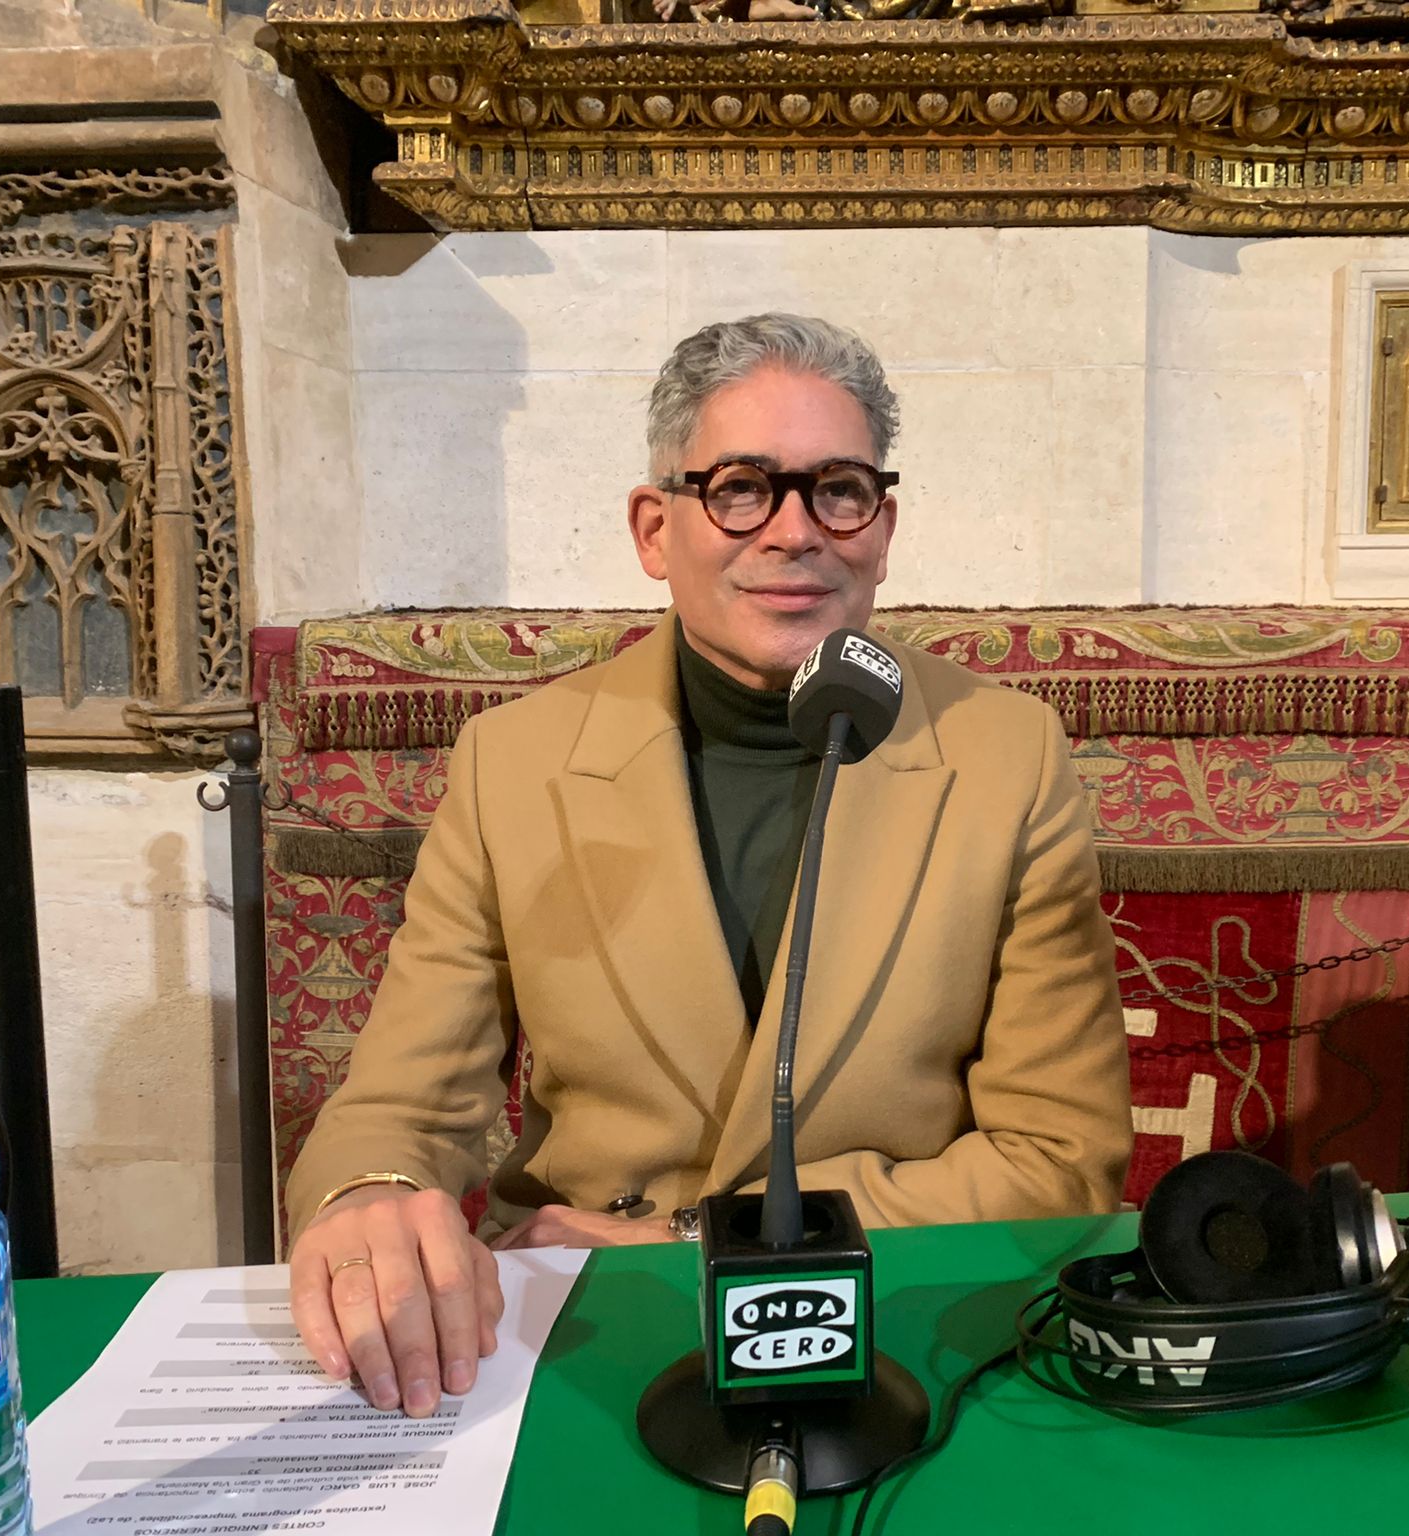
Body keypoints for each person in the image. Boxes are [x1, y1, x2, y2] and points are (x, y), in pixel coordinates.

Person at [284, 313, 1130, 1417]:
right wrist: (371, 1194)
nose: (792, 532)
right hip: (582, 1328)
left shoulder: (1003, 754)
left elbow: (1057, 1160)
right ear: (654, 527)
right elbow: (403, 1098)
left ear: (880, 525)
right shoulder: (516, 762)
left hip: (891, 1324)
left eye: (837, 488)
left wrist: (695, 1240)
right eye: (739, 486)